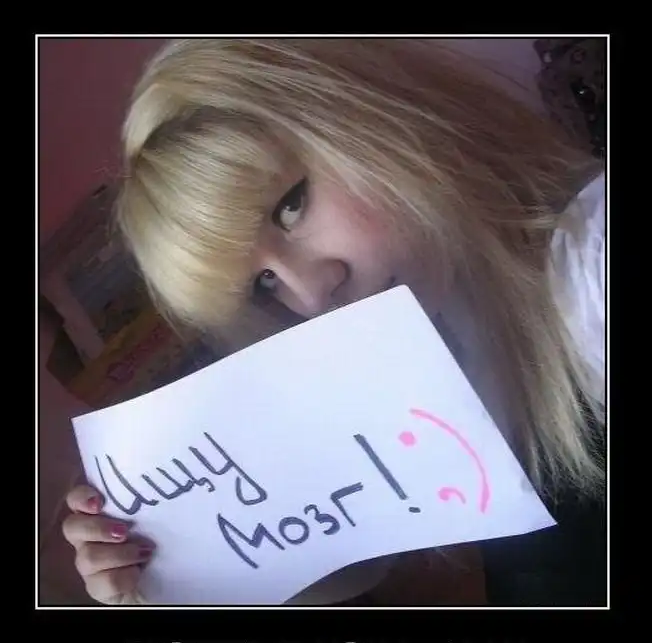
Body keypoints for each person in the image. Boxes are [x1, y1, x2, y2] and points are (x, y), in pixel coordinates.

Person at [61, 38, 606, 606]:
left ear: (362, 116)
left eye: (291, 207)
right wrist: (178, 570)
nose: (312, 291)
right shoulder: (444, 327)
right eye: (264, 283)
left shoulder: (594, 265)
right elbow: (366, 559)